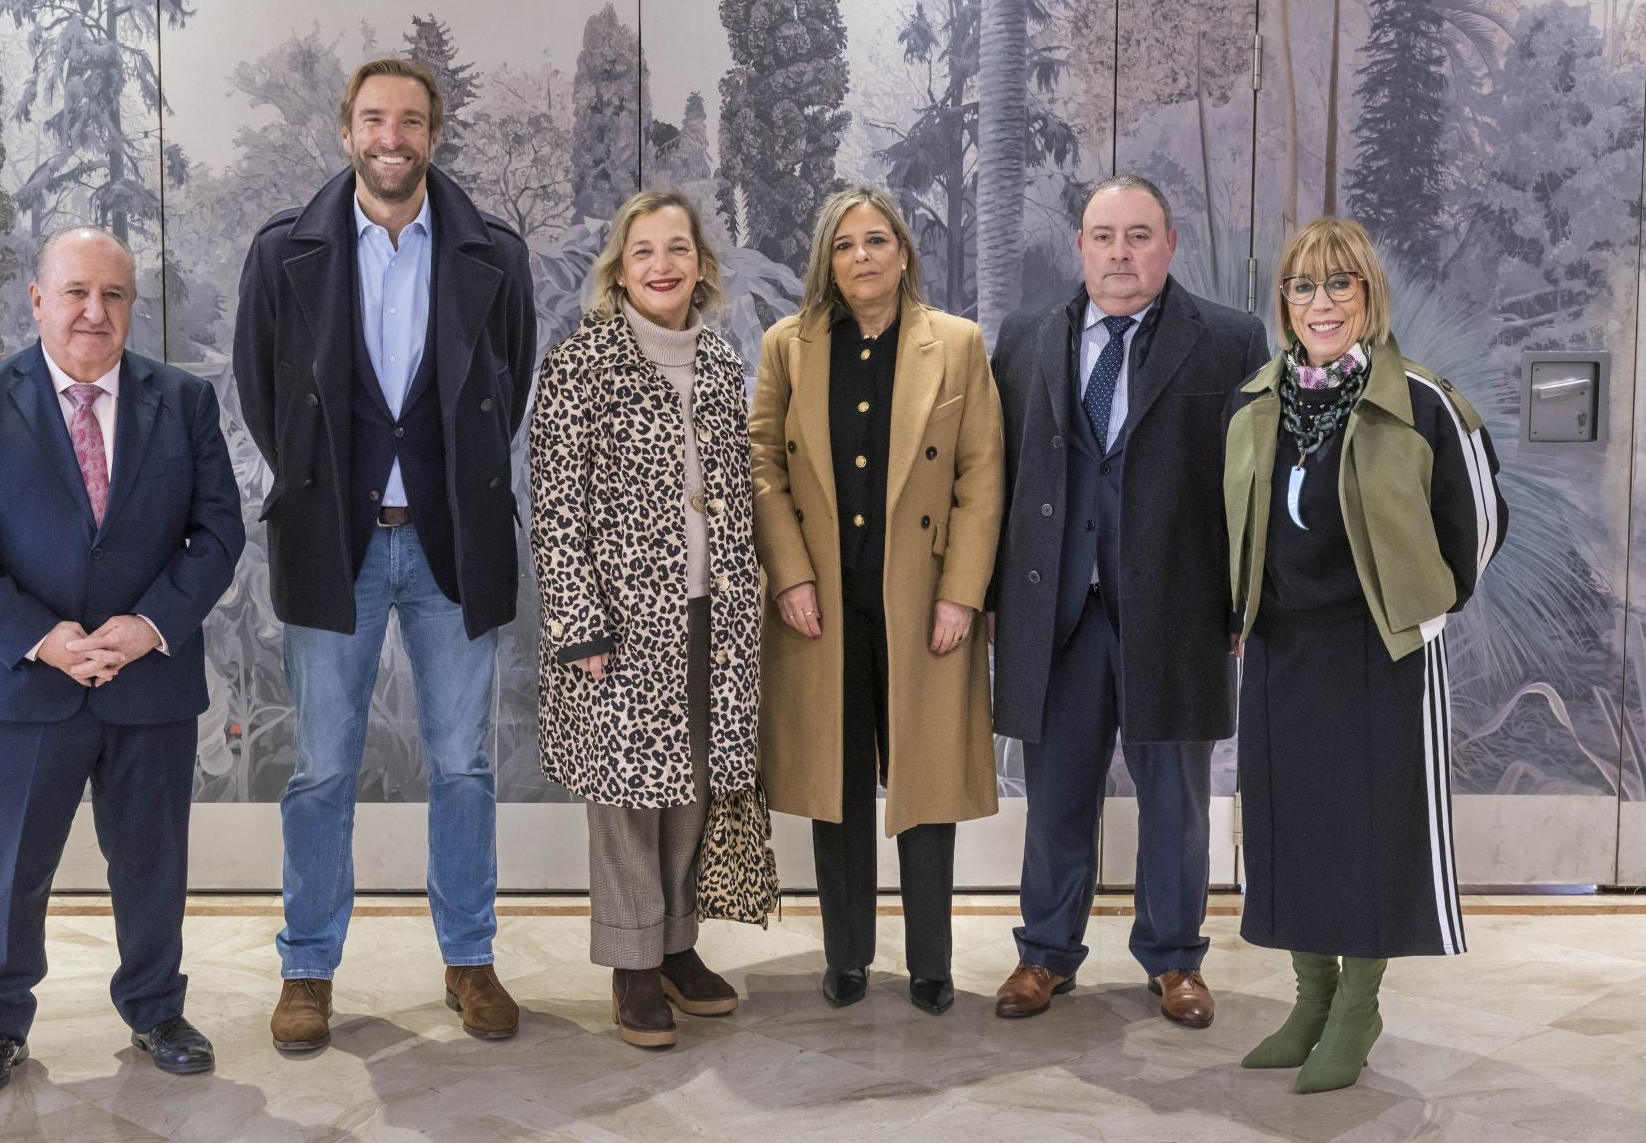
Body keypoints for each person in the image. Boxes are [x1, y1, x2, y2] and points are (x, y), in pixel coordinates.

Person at [233, 57, 537, 1048]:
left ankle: (470, 959)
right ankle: (308, 967)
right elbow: (262, 390)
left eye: (410, 119)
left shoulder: (494, 252)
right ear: (346, 131)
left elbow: (508, 383)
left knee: (464, 764)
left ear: (433, 134)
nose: (391, 136)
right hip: (337, 542)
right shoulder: (285, 251)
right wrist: (330, 487)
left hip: (454, 544)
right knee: (322, 767)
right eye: (374, 119)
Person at [0, 228, 244, 1098]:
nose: (94, 312)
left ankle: (155, 1008)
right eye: (74, 292)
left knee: (151, 861)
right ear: (37, 300)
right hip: (22, 681)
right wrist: (44, 637)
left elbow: (219, 534)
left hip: (149, 681)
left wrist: (148, 626)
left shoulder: (183, 401)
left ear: (134, 305)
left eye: (114, 295)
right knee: (12, 867)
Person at [1225, 217, 1506, 1093]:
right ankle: (1310, 996)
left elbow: (1480, 525)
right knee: (1295, 828)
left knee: (1371, 831)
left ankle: (1358, 1006)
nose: (1322, 302)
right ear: (1284, 301)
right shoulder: (1255, 402)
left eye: (1340, 283)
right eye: (1304, 286)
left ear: (1369, 294)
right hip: (1282, 648)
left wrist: (1423, 606)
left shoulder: (1423, 400)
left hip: (1377, 651)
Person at [989, 175, 1269, 1027]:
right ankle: (1044, 955)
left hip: (1178, 613)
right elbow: (1002, 477)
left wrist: (1242, 605)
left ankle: (1176, 961)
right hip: (1060, 613)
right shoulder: (1026, 336)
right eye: (1104, 236)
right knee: (1057, 797)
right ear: (1080, 245)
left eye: (1139, 236)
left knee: (1177, 801)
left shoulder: (1227, 339)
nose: (1120, 253)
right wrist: (999, 597)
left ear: (1170, 244)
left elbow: (1250, 485)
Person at [750, 187, 1003, 1015]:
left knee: (926, 784)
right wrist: (788, 574)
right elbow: (763, 469)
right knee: (839, 779)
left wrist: (962, 595)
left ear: (904, 251)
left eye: (878, 240)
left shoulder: (957, 344)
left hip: (924, 602)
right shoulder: (788, 347)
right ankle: (847, 955)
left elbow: (979, 477)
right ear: (828, 260)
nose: (863, 257)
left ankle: (932, 960)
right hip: (821, 602)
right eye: (846, 244)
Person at [528, 190, 761, 1049]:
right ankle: (632, 965)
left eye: (677, 249)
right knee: (628, 792)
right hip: (623, 622)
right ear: (619, 270)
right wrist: (579, 623)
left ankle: (674, 943)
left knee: (692, 782)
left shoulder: (722, 357)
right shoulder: (584, 361)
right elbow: (555, 505)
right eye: (643, 252)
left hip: (715, 611)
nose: (662, 265)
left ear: (700, 263)